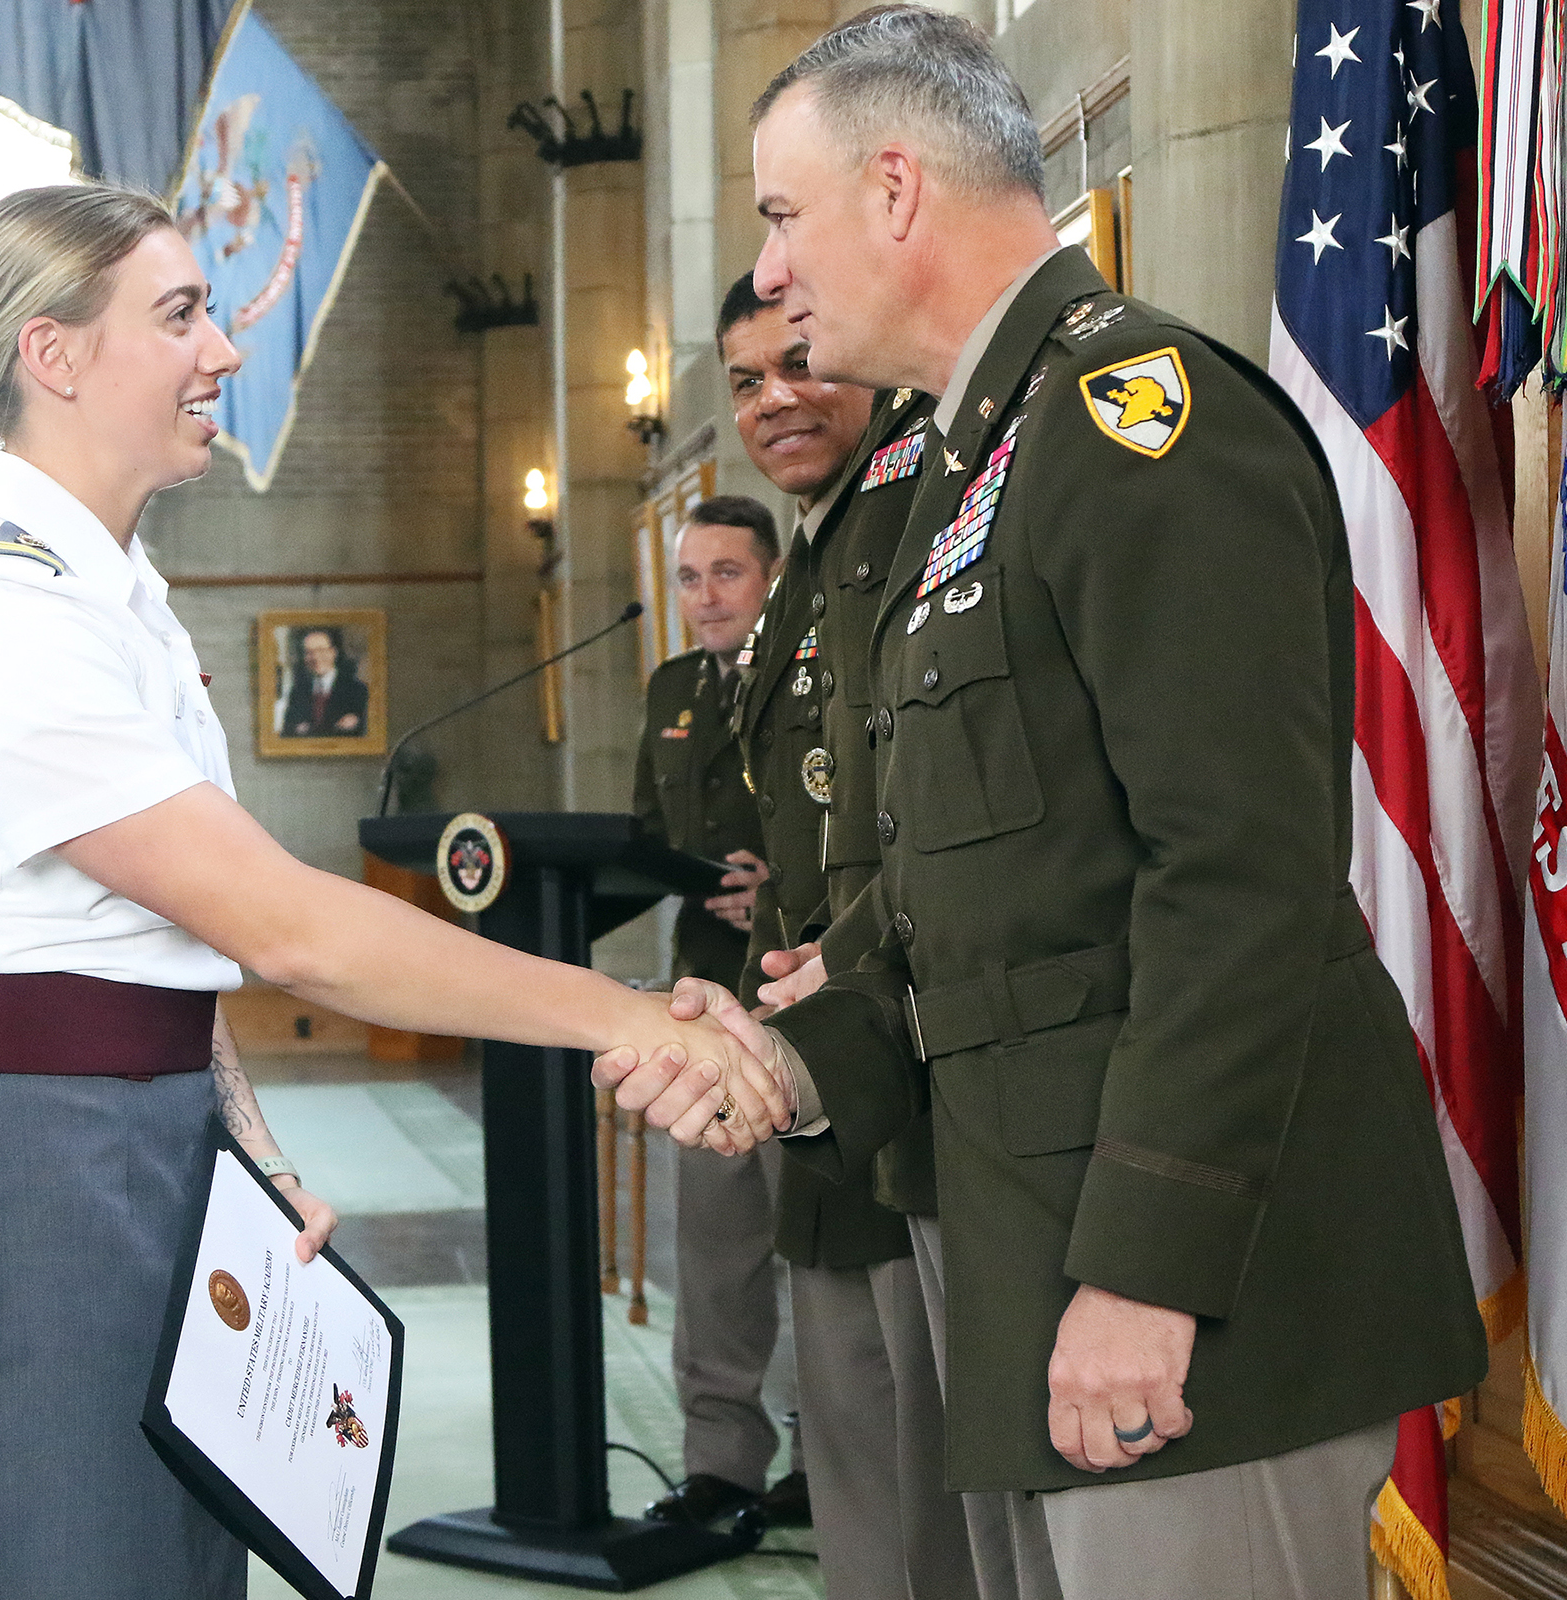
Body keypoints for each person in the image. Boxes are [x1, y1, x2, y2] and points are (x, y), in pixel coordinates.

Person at [601, 11, 1487, 1600]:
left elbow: (1237, 883)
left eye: (783, 217)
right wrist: (795, 1061)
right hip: (1024, 1255)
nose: (774, 270)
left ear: (893, 191)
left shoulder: (1138, 424)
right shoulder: (965, 472)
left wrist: (1147, 1274)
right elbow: (983, 908)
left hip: (1186, 1297)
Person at [0, 183, 772, 1600]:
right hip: (23, 1181)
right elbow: (285, 927)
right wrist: (629, 1018)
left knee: (150, 1563)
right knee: (35, 1556)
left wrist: (244, 1143)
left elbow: (154, 946)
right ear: (55, 354)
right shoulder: (8, 610)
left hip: (133, 1142)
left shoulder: (109, 590)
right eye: (183, 315)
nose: (226, 352)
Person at [719, 271, 998, 1600]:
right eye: (741, 385)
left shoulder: (909, 518)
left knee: (920, 1429)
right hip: (821, 1027)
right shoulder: (819, 556)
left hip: (901, 1031)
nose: (773, 401)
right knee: (855, 1416)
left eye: (795, 363)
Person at [629, 495, 808, 1530]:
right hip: (704, 993)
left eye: (726, 573)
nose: (705, 597)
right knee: (716, 1244)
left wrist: (775, 887)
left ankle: (826, 1461)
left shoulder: (815, 665)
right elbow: (648, 829)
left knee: (814, 1245)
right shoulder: (672, 687)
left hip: (800, 989)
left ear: (772, 575)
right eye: (690, 577)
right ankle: (724, 1458)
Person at [277, 625, 369, 738]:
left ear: (333, 652)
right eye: (309, 652)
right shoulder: (297, 692)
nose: (315, 657)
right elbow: (287, 733)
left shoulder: (357, 690)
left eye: (321, 650)